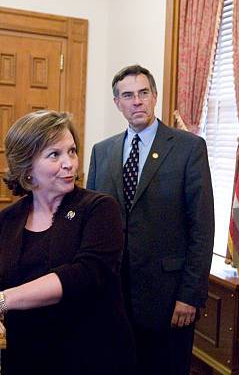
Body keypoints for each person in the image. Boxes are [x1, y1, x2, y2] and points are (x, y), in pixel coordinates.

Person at [0, 110, 135, 374]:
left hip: (90, 354)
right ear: (27, 169)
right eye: (54, 154)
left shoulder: (99, 209)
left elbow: (84, 274)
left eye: (72, 151)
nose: (69, 163)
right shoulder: (6, 220)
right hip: (26, 354)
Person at [87, 65, 214, 375]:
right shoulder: (102, 152)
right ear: (117, 103)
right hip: (113, 295)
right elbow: (91, 225)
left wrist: (190, 295)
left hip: (168, 298)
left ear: (154, 96)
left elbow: (202, 226)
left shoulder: (188, 148)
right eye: (128, 95)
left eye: (144, 93)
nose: (137, 101)